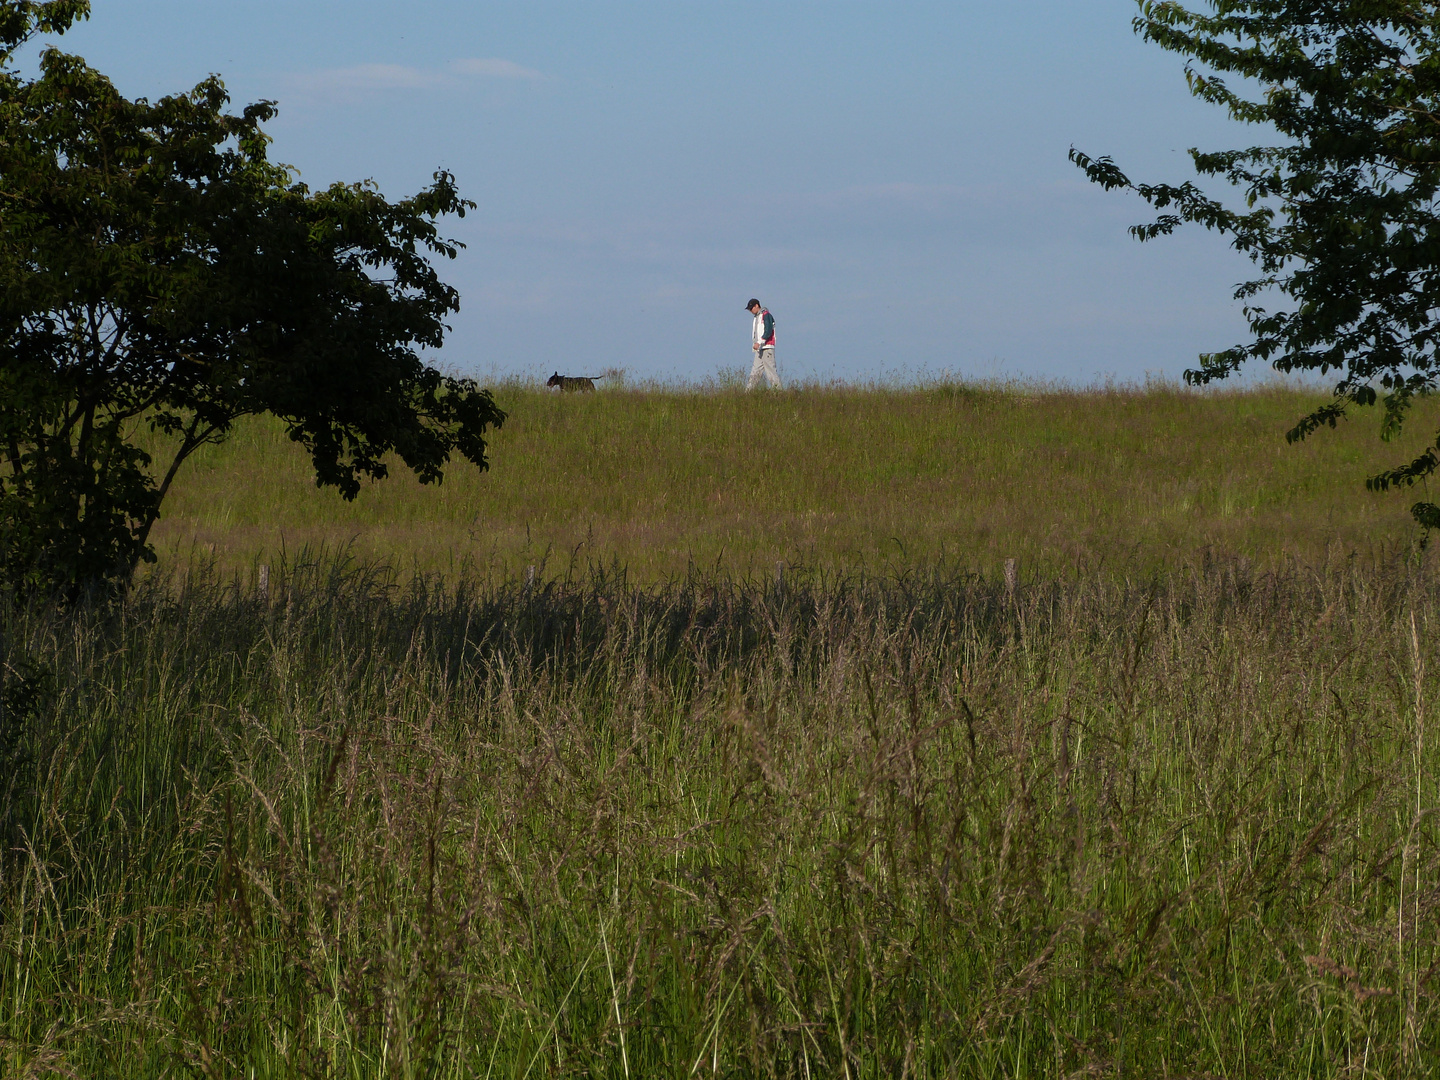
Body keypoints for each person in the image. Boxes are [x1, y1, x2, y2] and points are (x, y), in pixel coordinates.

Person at [745, 298, 780, 390]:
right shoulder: (757, 317)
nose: (750, 310)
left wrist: (760, 342)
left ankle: (778, 392)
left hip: (767, 347)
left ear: (757, 306)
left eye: (751, 308)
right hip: (760, 349)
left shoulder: (766, 315)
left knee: (770, 371)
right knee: (755, 372)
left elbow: (768, 330)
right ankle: (748, 393)